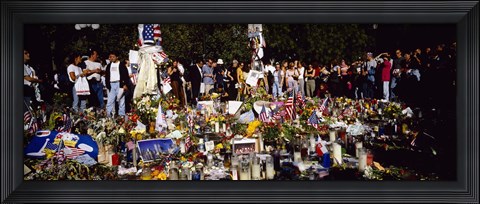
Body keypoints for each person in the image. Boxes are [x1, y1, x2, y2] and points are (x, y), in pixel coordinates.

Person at [105, 51, 131, 118]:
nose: (112, 58)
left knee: (121, 101)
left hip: (119, 84)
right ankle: (108, 115)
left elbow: (126, 75)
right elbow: (107, 76)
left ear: (117, 57)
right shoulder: (108, 66)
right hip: (111, 85)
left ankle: (121, 116)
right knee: (110, 101)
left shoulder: (121, 65)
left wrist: (125, 84)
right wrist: (107, 85)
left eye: (113, 57)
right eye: (111, 57)